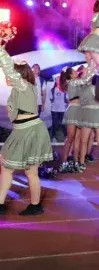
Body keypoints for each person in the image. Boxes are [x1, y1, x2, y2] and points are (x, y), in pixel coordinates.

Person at [0, 39, 53, 215]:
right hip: (27, 129)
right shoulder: (23, 88)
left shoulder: (23, 85)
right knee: (24, 171)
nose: (7, 76)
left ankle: (27, 205)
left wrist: (1, 50)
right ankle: (35, 205)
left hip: (28, 130)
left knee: (10, 169)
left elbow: (8, 68)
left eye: (11, 74)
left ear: (19, 75)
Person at [78, 69, 99, 170]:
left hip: (87, 114)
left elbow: (81, 102)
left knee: (84, 141)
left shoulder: (86, 89)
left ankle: (82, 163)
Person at [50, 76, 68, 142]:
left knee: (64, 124)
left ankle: (66, 137)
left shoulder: (65, 89)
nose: (58, 81)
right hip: (54, 110)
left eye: (59, 79)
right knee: (54, 124)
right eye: (57, 80)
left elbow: (67, 99)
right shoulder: (52, 90)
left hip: (63, 109)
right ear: (55, 81)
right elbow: (51, 99)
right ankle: (53, 137)